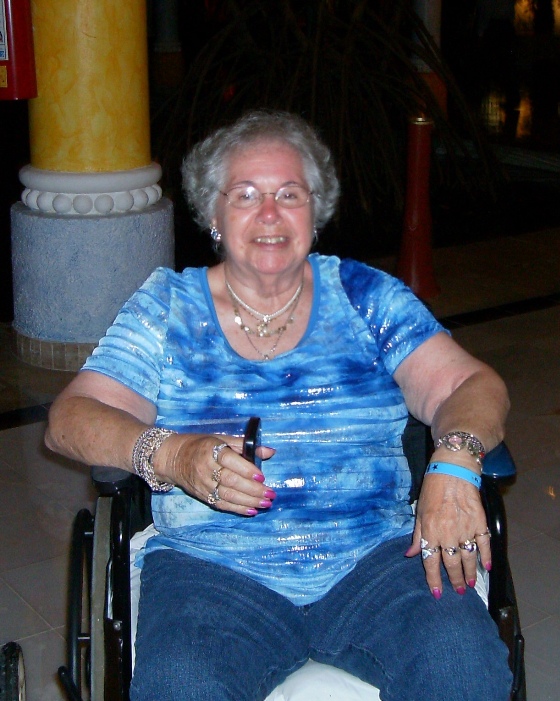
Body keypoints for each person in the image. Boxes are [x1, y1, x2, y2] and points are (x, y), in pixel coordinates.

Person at [46, 110, 512, 701]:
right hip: (212, 569)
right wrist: (172, 454)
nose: (270, 213)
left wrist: (456, 458)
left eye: (289, 194)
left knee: (461, 662)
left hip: (375, 558)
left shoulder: (364, 295)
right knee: (181, 684)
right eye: (245, 195)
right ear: (213, 216)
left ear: (316, 212)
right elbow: (70, 419)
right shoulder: (168, 307)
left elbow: (473, 385)